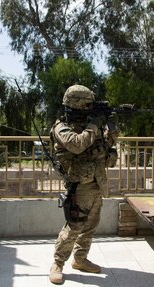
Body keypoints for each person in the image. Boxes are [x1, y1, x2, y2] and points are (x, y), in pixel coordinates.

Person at [49, 85, 119, 284]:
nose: (90, 107)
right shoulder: (61, 127)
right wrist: (95, 123)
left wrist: (112, 126)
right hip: (79, 185)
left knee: (91, 225)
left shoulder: (90, 124)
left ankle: (80, 259)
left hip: (96, 181)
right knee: (74, 226)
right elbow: (78, 145)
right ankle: (57, 263)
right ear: (77, 104)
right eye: (87, 104)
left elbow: (107, 144)